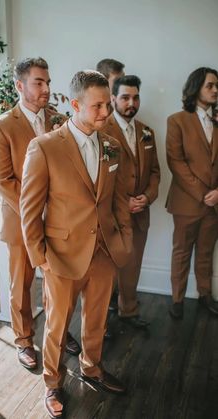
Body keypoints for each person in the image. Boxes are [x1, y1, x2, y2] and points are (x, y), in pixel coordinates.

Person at [20, 70, 132, 417]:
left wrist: (122, 242)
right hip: (62, 256)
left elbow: (117, 202)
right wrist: (41, 259)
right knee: (56, 324)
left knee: (97, 319)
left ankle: (92, 367)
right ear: (74, 104)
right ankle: (52, 381)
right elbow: (29, 210)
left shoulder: (111, 146)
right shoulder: (45, 147)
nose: (105, 112)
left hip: (103, 252)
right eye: (97, 106)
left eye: (107, 104)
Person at [0, 57, 79, 371]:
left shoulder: (58, 120)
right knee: (21, 285)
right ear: (19, 85)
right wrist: (35, 214)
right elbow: (2, 180)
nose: (46, 89)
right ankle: (24, 340)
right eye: (39, 82)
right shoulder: (0, 126)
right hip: (20, 222)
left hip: (58, 221)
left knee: (57, 282)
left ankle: (57, 333)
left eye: (48, 82)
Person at [104, 75, 160, 328]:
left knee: (133, 266)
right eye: (125, 97)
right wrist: (121, 204)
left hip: (139, 214)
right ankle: (100, 321)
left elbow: (156, 173)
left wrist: (147, 197)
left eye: (135, 97)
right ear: (113, 99)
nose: (131, 103)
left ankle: (129, 310)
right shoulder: (100, 130)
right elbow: (96, 177)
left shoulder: (147, 132)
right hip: (110, 216)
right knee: (105, 271)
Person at [166, 67, 218, 319]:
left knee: (206, 252)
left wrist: (217, 193)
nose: (215, 90)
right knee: (182, 251)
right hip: (187, 202)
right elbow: (175, 162)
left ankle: (205, 295)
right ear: (196, 87)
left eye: (217, 86)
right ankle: (177, 299)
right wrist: (203, 193)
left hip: (215, 203)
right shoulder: (177, 120)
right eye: (210, 85)